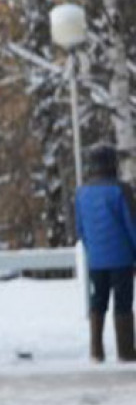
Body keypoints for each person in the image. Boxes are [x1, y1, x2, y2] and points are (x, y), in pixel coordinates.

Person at [74, 144, 136, 362]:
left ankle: (96, 350)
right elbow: (132, 226)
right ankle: (126, 351)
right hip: (122, 258)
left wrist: (93, 249)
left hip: (96, 260)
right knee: (123, 304)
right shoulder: (121, 189)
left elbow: (80, 229)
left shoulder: (81, 192)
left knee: (97, 303)